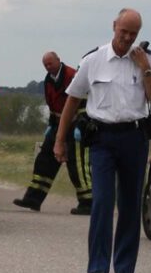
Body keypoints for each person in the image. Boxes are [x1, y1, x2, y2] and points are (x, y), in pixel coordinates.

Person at [55, 8, 151, 273]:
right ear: (114, 26)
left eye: (133, 34)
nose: (127, 38)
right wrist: (59, 139)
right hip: (102, 139)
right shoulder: (93, 60)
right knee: (103, 202)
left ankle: (125, 269)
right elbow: (72, 100)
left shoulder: (147, 60)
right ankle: (98, 270)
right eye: (123, 31)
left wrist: (146, 69)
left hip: (134, 138)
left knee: (129, 205)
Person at [14, 51, 93, 213]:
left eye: (50, 63)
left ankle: (88, 202)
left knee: (77, 165)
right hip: (58, 123)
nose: (48, 67)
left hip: (77, 123)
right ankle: (33, 199)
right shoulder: (48, 81)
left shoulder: (72, 75)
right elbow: (52, 105)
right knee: (44, 160)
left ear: (58, 60)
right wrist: (51, 125)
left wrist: (80, 125)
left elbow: (84, 100)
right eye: (45, 65)